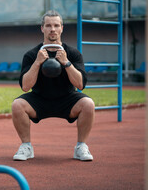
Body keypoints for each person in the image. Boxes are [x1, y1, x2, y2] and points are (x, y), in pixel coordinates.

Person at [11, 10, 95, 161]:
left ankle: (81, 146)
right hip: (39, 99)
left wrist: (66, 62)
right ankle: (26, 146)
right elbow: (25, 87)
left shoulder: (73, 53)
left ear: (62, 28)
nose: (52, 29)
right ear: (42, 28)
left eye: (56, 25)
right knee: (17, 105)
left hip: (67, 99)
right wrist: (37, 62)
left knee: (88, 104)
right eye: (48, 25)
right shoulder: (31, 54)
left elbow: (80, 85)